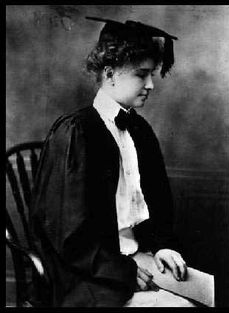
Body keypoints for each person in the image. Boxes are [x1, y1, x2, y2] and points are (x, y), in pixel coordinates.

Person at [29, 16, 196, 307]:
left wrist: (162, 246)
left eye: (152, 75)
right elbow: (68, 237)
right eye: (141, 74)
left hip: (137, 257)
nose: (151, 85)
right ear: (110, 74)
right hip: (88, 275)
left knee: (202, 295)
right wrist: (122, 272)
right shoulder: (76, 132)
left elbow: (158, 208)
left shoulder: (140, 131)